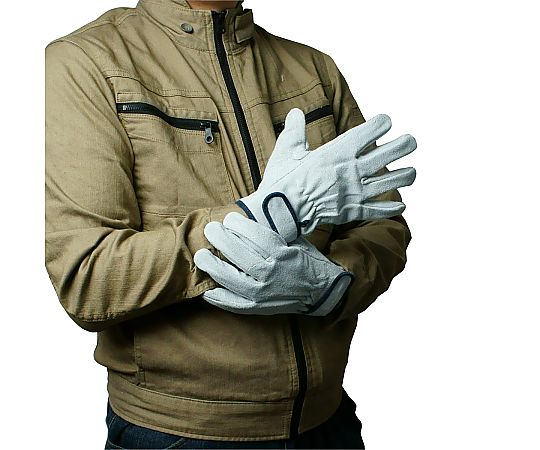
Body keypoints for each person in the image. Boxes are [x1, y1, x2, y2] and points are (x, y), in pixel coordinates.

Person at [45, 0, 416, 448]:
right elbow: (89, 279)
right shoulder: (87, 62)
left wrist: (331, 286)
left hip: (328, 421)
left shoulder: (313, 69)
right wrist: (263, 219)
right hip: (178, 434)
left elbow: (384, 223)